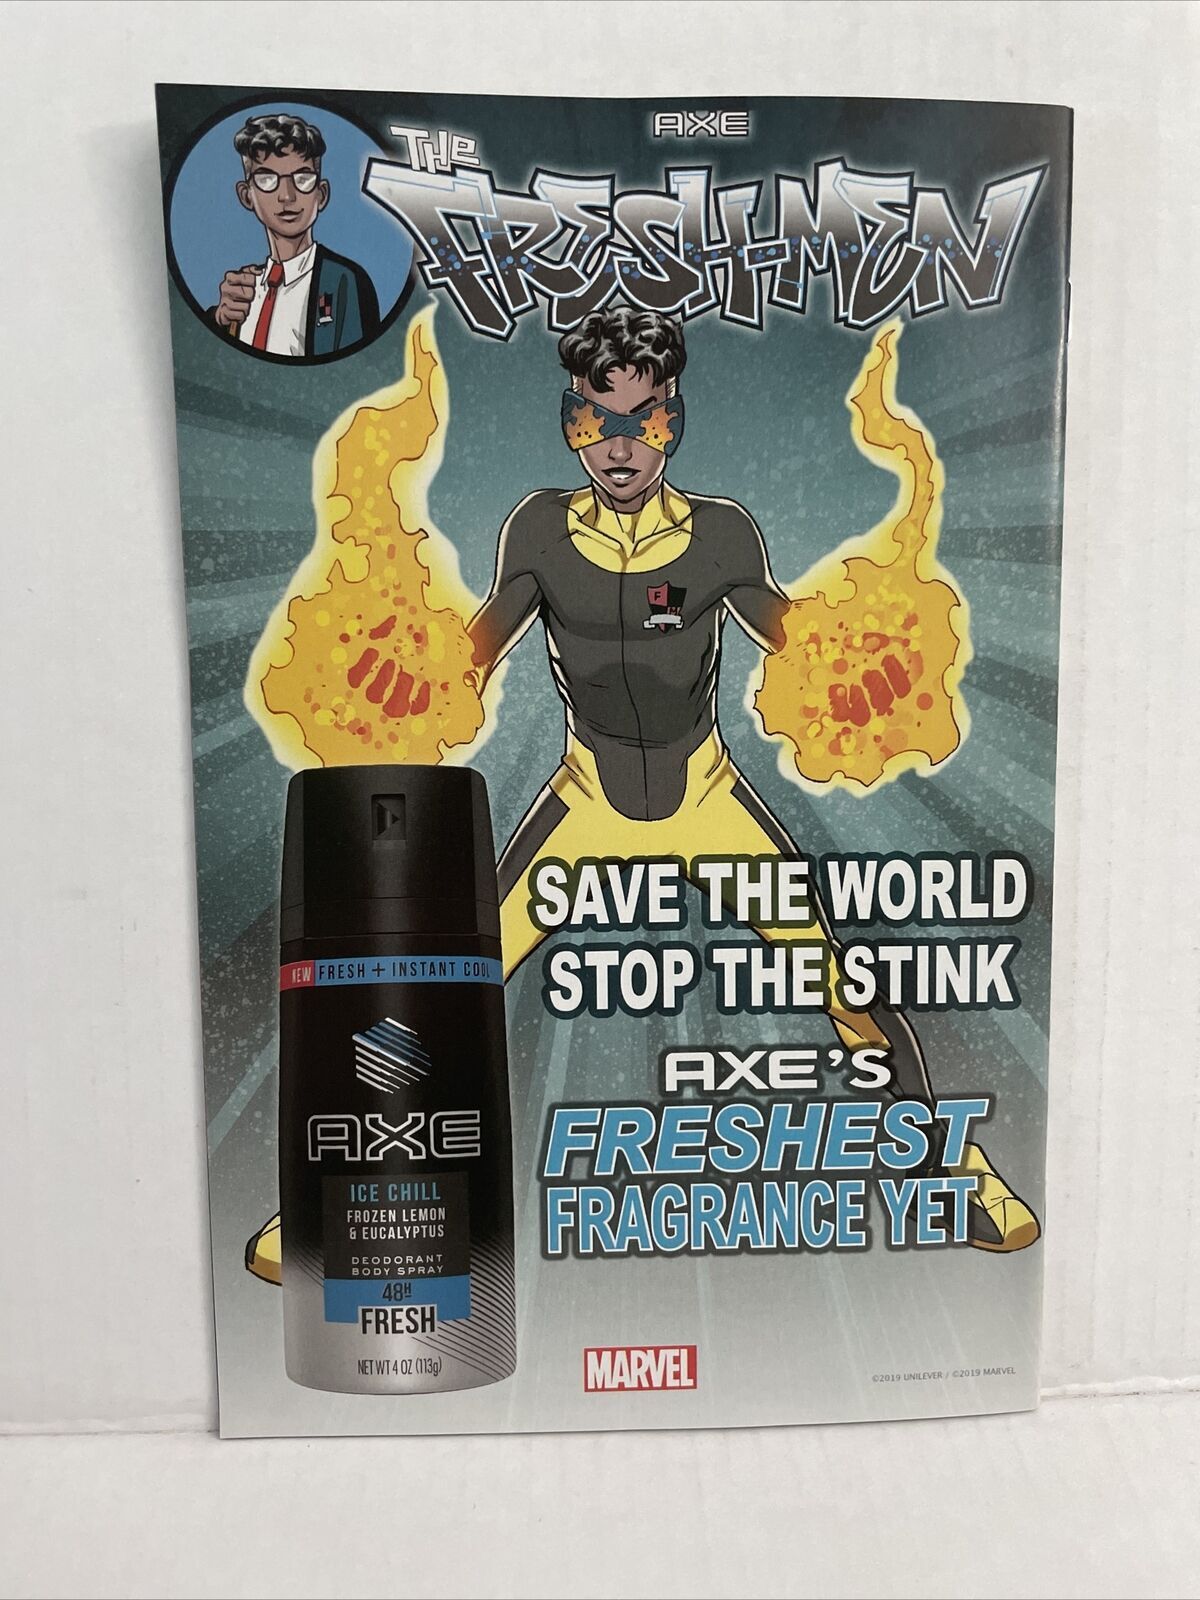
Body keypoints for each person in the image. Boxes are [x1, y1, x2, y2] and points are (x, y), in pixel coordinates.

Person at [245, 305, 1037, 1284]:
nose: (619, 448)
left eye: (643, 420)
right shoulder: (539, 530)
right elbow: (470, 657)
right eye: (596, 420)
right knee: (444, 992)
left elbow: (805, 644)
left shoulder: (721, 535)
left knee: (843, 983)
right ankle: (326, 1208)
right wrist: (385, 676)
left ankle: (951, 1173)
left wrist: (880, 660)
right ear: (570, 420)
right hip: (586, 803)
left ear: (674, 419)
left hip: (707, 798)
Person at [212, 112, 379, 359]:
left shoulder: (344, 281)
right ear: (247, 195)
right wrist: (219, 320)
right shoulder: (243, 291)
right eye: (267, 179)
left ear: (321, 194)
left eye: (302, 179)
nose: (287, 196)